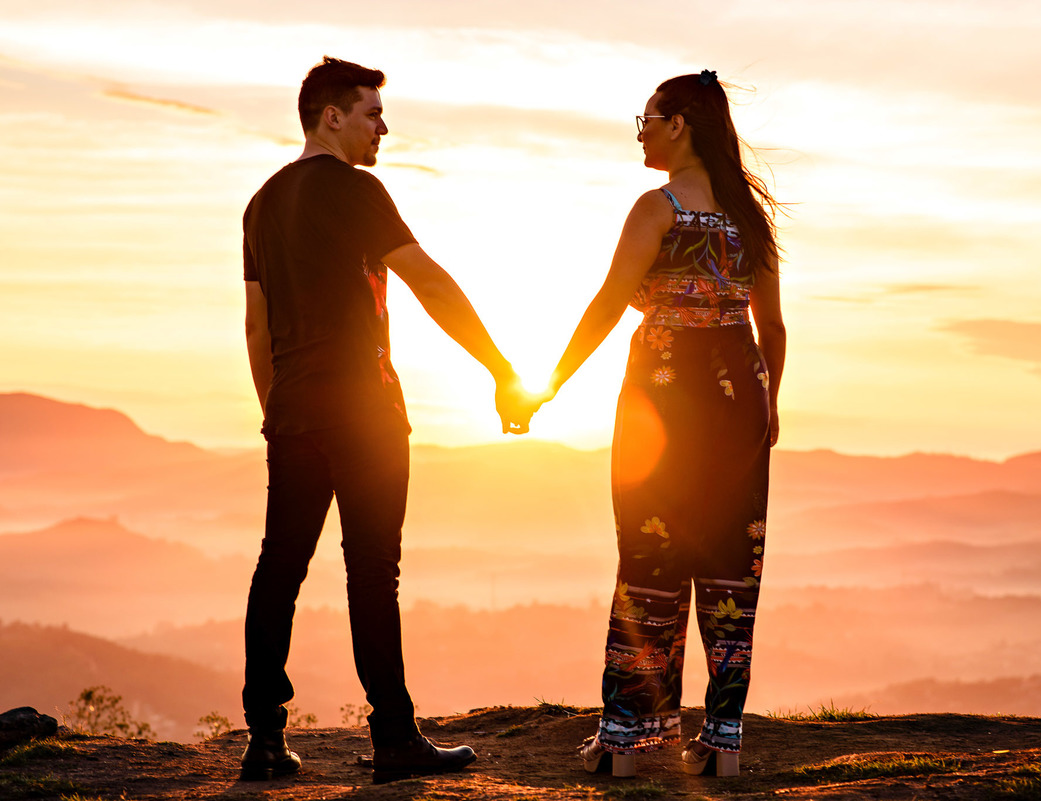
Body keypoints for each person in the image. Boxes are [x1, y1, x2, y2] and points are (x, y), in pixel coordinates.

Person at [239, 56, 530, 784]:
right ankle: (394, 738)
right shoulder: (358, 190)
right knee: (372, 573)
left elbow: (255, 327)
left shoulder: (261, 204)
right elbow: (428, 281)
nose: (383, 126)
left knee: (281, 566)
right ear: (330, 115)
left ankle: (265, 741)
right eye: (372, 112)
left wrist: (276, 411)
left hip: (295, 409)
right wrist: (500, 369)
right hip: (365, 409)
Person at [541, 69, 786, 778]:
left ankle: (629, 742)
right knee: (732, 566)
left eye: (646, 118)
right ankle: (722, 743)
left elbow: (608, 304)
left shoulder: (658, 208)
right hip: (739, 395)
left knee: (650, 560)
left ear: (679, 122)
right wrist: (767, 403)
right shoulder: (749, 219)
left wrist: (547, 384)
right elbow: (773, 329)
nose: (641, 131)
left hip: (663, 397)